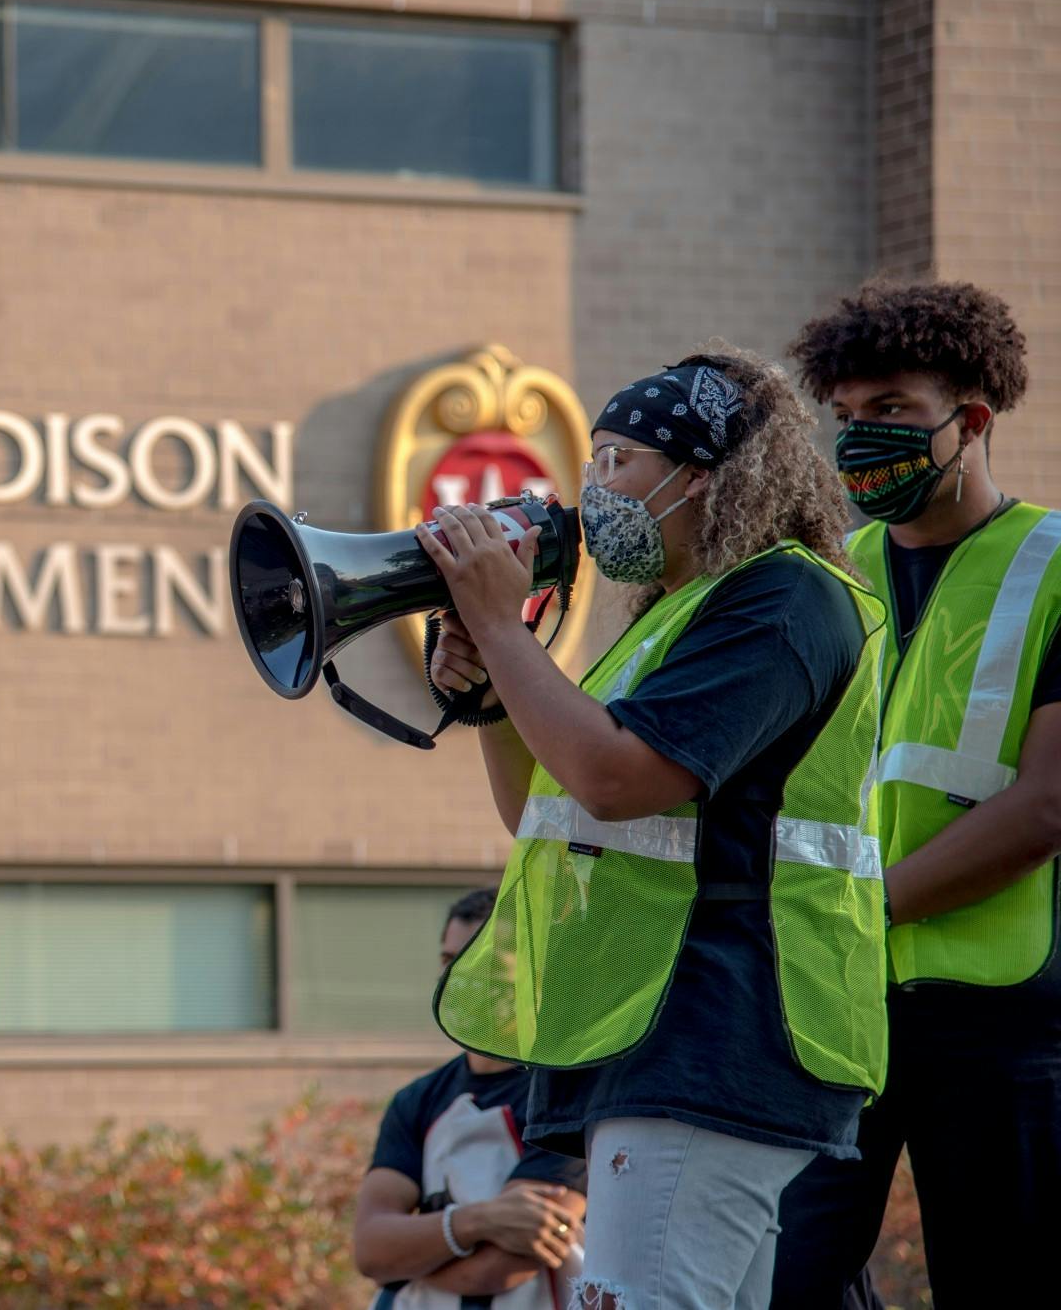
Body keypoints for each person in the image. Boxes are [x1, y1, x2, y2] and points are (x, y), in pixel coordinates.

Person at [421, 345, 888, 1310]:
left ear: (704, 474)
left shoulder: (786, 597)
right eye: (591, 460)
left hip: (719, 1026)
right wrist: (493, 686)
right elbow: (543, 807)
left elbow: (613, 778)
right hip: (657, 1026)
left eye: (619, 459)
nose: (593, 487)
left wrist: (504, 632)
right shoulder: (673, 617)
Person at [770, 281, 1061, 1308]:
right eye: (845, 413)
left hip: (999, 1018)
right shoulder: (821, 577)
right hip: (831, 1008)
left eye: (890, 408)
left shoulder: (1054, 565)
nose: (859, 436)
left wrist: (862, 907)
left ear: (970, 421)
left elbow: (1045, 806)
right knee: (780, 1282)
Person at [353, 887, 588, 1309]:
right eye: (448, 961)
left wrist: (405, 1269)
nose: (457, 978)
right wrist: (479, 1219)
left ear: (532, 969)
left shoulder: (570, 1090)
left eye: (480, 962)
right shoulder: (417, 1099)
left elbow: (501, 1267)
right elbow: (371, 1249)